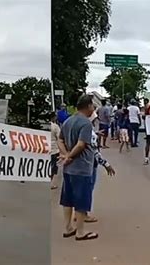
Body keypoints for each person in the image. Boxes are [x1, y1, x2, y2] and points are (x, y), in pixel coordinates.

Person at [58, 94, 98, 241]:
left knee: (67, 199)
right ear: (88, 106)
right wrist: (70, 156)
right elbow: (81, 144)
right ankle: (80, 232)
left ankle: (68, 227)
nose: (93, 108)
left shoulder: (68, 121)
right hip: (82, 167)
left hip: (68, 168)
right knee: (82, 201)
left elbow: (60, 139)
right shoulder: (86, 124)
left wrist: (66, 154)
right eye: (92, 105)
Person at [50, 112, 61, 189]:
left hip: (45, 149)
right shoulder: (55, 127)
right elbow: (60, 138)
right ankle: (51, 183)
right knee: (53, 167)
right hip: (54, 150)